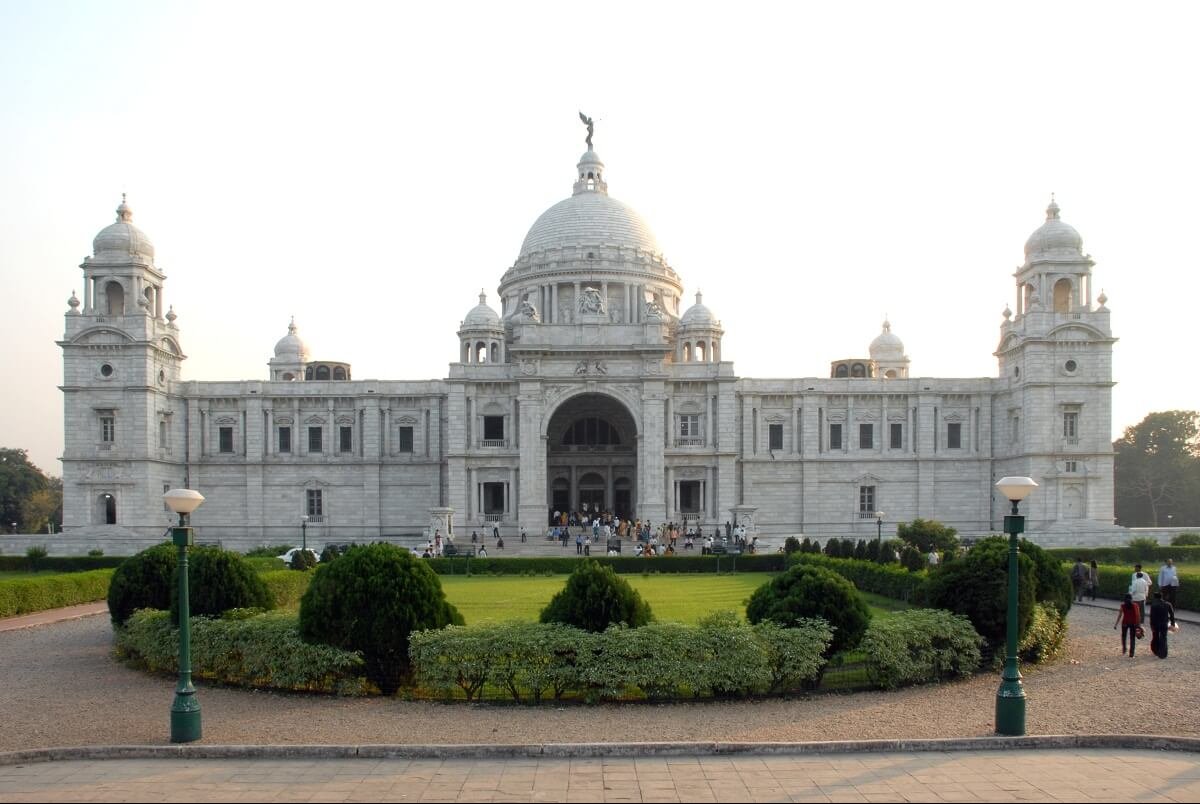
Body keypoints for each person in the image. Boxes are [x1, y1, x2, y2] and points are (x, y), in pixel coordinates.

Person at [1148, 591, 1177, 659]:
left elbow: (1152, 616)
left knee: (1155, 637)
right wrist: (1172, 623)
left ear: (1155, 597)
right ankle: (1163, 653)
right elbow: (1172, 614)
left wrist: (1151, 625)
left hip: (1156, 624)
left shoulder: (1154, 605)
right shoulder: (1168, 604)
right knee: (1163, 638)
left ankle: (1155, 650)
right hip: (1164, 623)